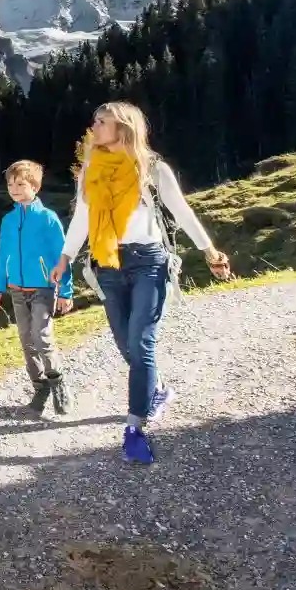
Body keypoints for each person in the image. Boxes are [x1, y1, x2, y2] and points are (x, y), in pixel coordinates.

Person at [50, 102, 231, 465]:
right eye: (95, 121)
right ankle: (158, 388)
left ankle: (134, 428)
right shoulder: (91, 170)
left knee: (141, 342)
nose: (94, 127)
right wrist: (65, 257)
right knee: (124, 343)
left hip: (148, 261)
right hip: (107, 264)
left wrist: (209, 250)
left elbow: (182, 211)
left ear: (123, 127)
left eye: (102, 122)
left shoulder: (152, 169)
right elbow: (82, 217)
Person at [0, 160, 73, 416]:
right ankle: (40, 387)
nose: (14, 189)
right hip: (16, 289)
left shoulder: (47, 219)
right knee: (26, 340)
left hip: (44, 289)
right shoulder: (8, 220)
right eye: (10, 184)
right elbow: (3, 254)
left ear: (35, 187)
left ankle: (58, 383)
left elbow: (62, 255)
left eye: (20, 184)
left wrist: (66, 291)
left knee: (42, 336)